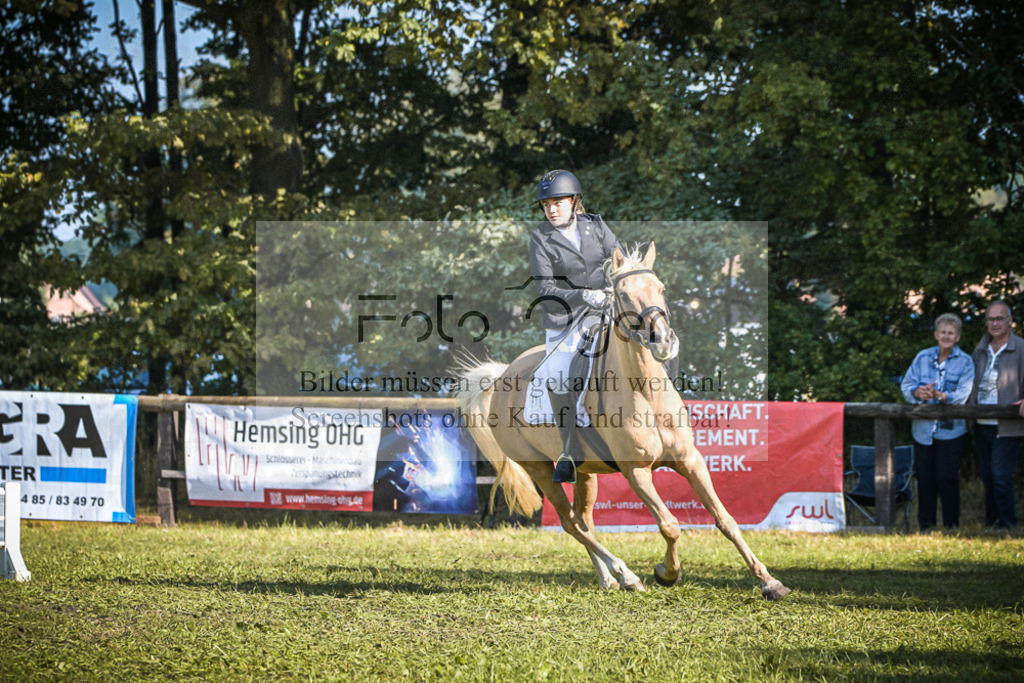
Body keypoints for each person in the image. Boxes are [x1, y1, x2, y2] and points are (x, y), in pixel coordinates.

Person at [528, 169, 622, 484]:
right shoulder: (540, 237)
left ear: (574, 201)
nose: (551, 209)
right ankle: (569, 450)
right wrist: (584, 295)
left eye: (557, 202)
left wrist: (616, 284)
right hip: (565, 320)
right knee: (555, 373)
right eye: (546, 205)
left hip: (605, 311)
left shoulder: (595, 226)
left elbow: (618, 259)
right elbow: (545, 290)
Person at [901, 313, 974, 530]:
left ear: (958, 337)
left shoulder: (966, 362)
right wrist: (918, 392)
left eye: (951, 333)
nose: (946, 336)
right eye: (943, 332)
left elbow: (962, 395)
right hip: (923, 431)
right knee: (924, 479)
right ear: (936, 334)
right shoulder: (922, 357)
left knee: (946, 478)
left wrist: (940, 396)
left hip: (952, 431)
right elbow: (906, 385)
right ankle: (926, 526)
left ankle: (951, 526)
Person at [969, 300, 1024, 529]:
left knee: (1001, 476)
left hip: (1008, 424)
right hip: (981, 423)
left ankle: (1007, 525)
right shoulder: (979, 350)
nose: (995, 323)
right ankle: (991, 524)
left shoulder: (1021, 348)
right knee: (989, 478)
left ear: (1010, 320)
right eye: (990, 319)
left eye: (999, 318)